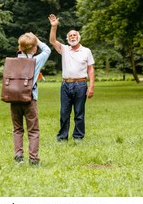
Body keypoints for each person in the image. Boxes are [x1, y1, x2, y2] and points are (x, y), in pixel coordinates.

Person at [48, 14, 95, 142]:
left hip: (80, 85)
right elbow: (52, 41)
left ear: (79, 37)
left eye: (74, 35)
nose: (72, 37)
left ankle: (78, 137)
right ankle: (62, 137)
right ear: (67, 39)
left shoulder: (86, 51)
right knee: (64, 113)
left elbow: (90, 69)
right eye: (70, 36)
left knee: (79, 113)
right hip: (65, 85)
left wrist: (91, 86)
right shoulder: (64, 49)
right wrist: (54, 27)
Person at [11, 32, 51, 165]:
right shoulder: (35, 61)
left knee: (17, 129)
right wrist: (37, 40)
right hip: (30, 98)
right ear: (34, 48)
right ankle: (33, 159)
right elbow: (47, 50)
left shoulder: (13, 61)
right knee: (33, 130)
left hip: (14, 98)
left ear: (20, 47)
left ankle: (18, 156)